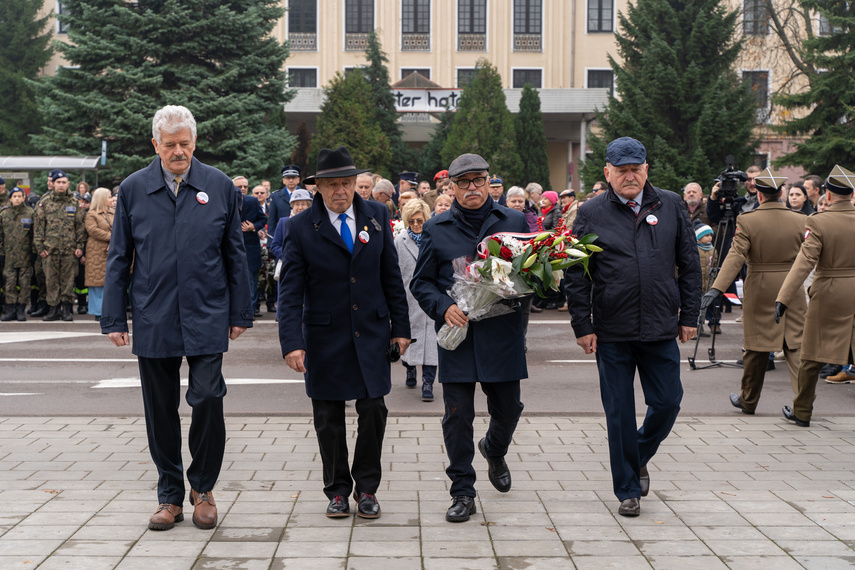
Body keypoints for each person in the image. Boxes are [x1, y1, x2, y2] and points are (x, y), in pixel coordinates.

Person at [101, 105, 254, 531]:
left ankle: (202, 487)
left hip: (207, 312)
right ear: (156, 145)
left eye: (185, 144)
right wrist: (114, 317)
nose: (178, 152)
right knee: (159, 409)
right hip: (154, 314)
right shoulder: (134, 189)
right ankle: (169, 495)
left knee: (207, 396)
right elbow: (119, 257)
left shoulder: (220, 186)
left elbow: (234, 254)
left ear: (195, 142)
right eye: (170, 145)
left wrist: (241, 310)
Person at [565, 137, 701, 517]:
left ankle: (638, 453)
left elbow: (689, 264)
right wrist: (582, 324)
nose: (629, 176)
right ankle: (627, 489)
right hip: (612, 330)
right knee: (620, 412)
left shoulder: (671, 204)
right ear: (607, 172)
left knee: (668, 402)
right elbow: (577, 273)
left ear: (646, 168)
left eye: (635, 168)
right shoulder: (591, 212)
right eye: (621, 170)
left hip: (660, 326)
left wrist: (689, 316)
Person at [278, 146, 411, 520]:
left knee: (373, 410)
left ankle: (366, 488)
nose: (341, 190)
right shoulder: (301, 228)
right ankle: (337, 491)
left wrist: (400, 328)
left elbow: (391, 277)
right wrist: (292, 342)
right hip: (324, 337)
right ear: (318, 187)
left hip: (371, 331)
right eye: (333, 184)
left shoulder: (378, 215)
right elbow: (290, 292)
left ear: (356, 184)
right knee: (328, 416)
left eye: (347, 183)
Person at [410, 153, 529, 523]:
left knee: (508, 409)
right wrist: (444, 306)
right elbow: (421, 282)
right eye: (464, 182)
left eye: (479, 180)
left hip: (503, 334)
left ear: (489, 181)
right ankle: (462, 490)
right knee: (457, 416)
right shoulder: (438, 227)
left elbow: (532, 274)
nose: (473, 188)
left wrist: (522, 287)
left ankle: (494, 449)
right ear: (452, 187)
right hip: (458, 335)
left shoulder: (514, 220)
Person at [699, 170, 807, 415]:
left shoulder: (748, 220)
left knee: (756, 346)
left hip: (759, 286)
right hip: (792, 286)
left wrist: (716, 288)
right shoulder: (801, 220)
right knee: (795, 346)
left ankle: (748, 400)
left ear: (758, 195)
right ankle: (804, 403)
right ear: (781, 193)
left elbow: (735, 256)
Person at [776, 165, 855, 427]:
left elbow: (805, 261)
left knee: (811, 354)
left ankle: (802, 411)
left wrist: (784, 297)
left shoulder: (819, 221)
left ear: (828, 195)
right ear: (852, 194)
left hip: (829, 292)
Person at [395, 199, 438, 401]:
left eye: (419, 220)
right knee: (408, 340)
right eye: (411, 221)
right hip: (407, 297)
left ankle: (428, 383)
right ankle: (409, 367)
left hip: (430, 296)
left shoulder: (434, 239)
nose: (415, 225)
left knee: (431, 343)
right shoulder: (399, 241)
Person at [33, 170, 86, 322]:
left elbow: (80, 227)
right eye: (58, 182)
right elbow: (38, 227)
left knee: (68, 281)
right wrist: (40, 248)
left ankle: (66, 310)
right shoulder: (45, 203)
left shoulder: (75, 203)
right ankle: (53, 310)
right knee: (51, 280)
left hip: (69, 250)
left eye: (64, 182)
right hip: (50, 250)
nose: (61, 185)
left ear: (68, 184)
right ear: (53, 184)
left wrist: (79, 247)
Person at [0, 187, 34, 321]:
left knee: (25, 284)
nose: (17, 199)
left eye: (20, 196)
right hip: (9, 257)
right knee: (9, 284)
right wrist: (1, 253)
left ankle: (21, 309)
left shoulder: (30, 213)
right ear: (10, 198)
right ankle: (11, 309)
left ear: (24, 198)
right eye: (14, 196)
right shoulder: (4, 214)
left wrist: (33, 252)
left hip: (25, 256)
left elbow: (34, 235)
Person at [83, 188, 114, 321]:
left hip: (110, 250)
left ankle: (109, 310)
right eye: (109, 197)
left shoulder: (113, 212)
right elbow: (93, 230)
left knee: (109, 282)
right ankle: (98, 311)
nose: (111, 199)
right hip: (97, 252)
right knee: (97, 282)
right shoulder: (92, 214)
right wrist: (112, 237)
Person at [238, 187, 267, 317]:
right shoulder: (226, 199)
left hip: (250, 246)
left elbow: (263, 219)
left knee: (251, 279)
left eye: (245, 186)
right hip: (231, 246)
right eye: (239, 187)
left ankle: (252, 309)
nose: (242, 189)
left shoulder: (252, 201)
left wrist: (253, 227)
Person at [268, 189, 313, 261]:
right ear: (292, 205)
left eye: (303, 204)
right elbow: (275, 246)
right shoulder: (283, 222)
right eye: (297, 204)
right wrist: (288, 256)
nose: (300, 207)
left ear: (308, 205)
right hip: (288, 263)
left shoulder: (314, 222)